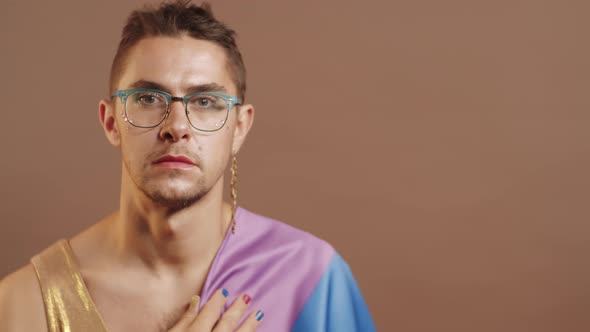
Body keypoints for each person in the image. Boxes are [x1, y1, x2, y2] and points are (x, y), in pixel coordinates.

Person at [0, 1, 376, 331]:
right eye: (148, 97)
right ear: (111, 121)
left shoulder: (310, 279)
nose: (176, 127)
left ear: (239, 127)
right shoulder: (24, 304)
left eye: (206, 101)